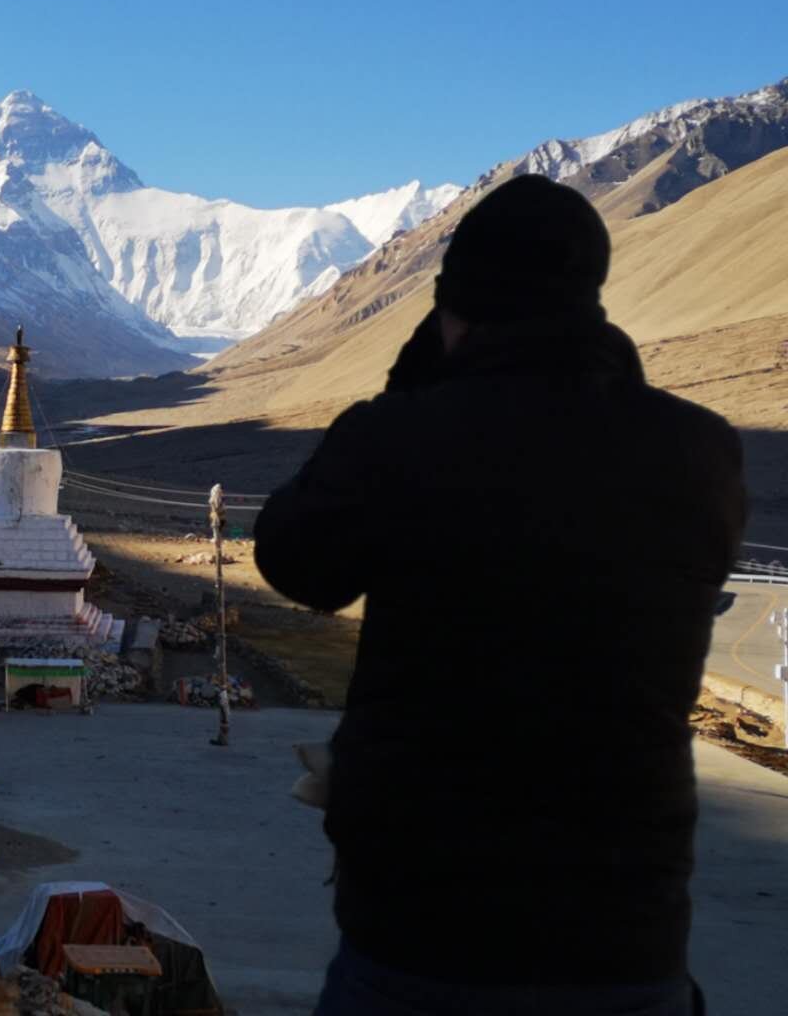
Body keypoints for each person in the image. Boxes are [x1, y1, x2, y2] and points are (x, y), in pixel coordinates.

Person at [254, 174, 745, 1015]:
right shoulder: (703, 453)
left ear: (456, 307)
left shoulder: (405, 439)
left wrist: (405, 396)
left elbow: (294, 558)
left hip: (424, 936)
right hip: (629, 934)